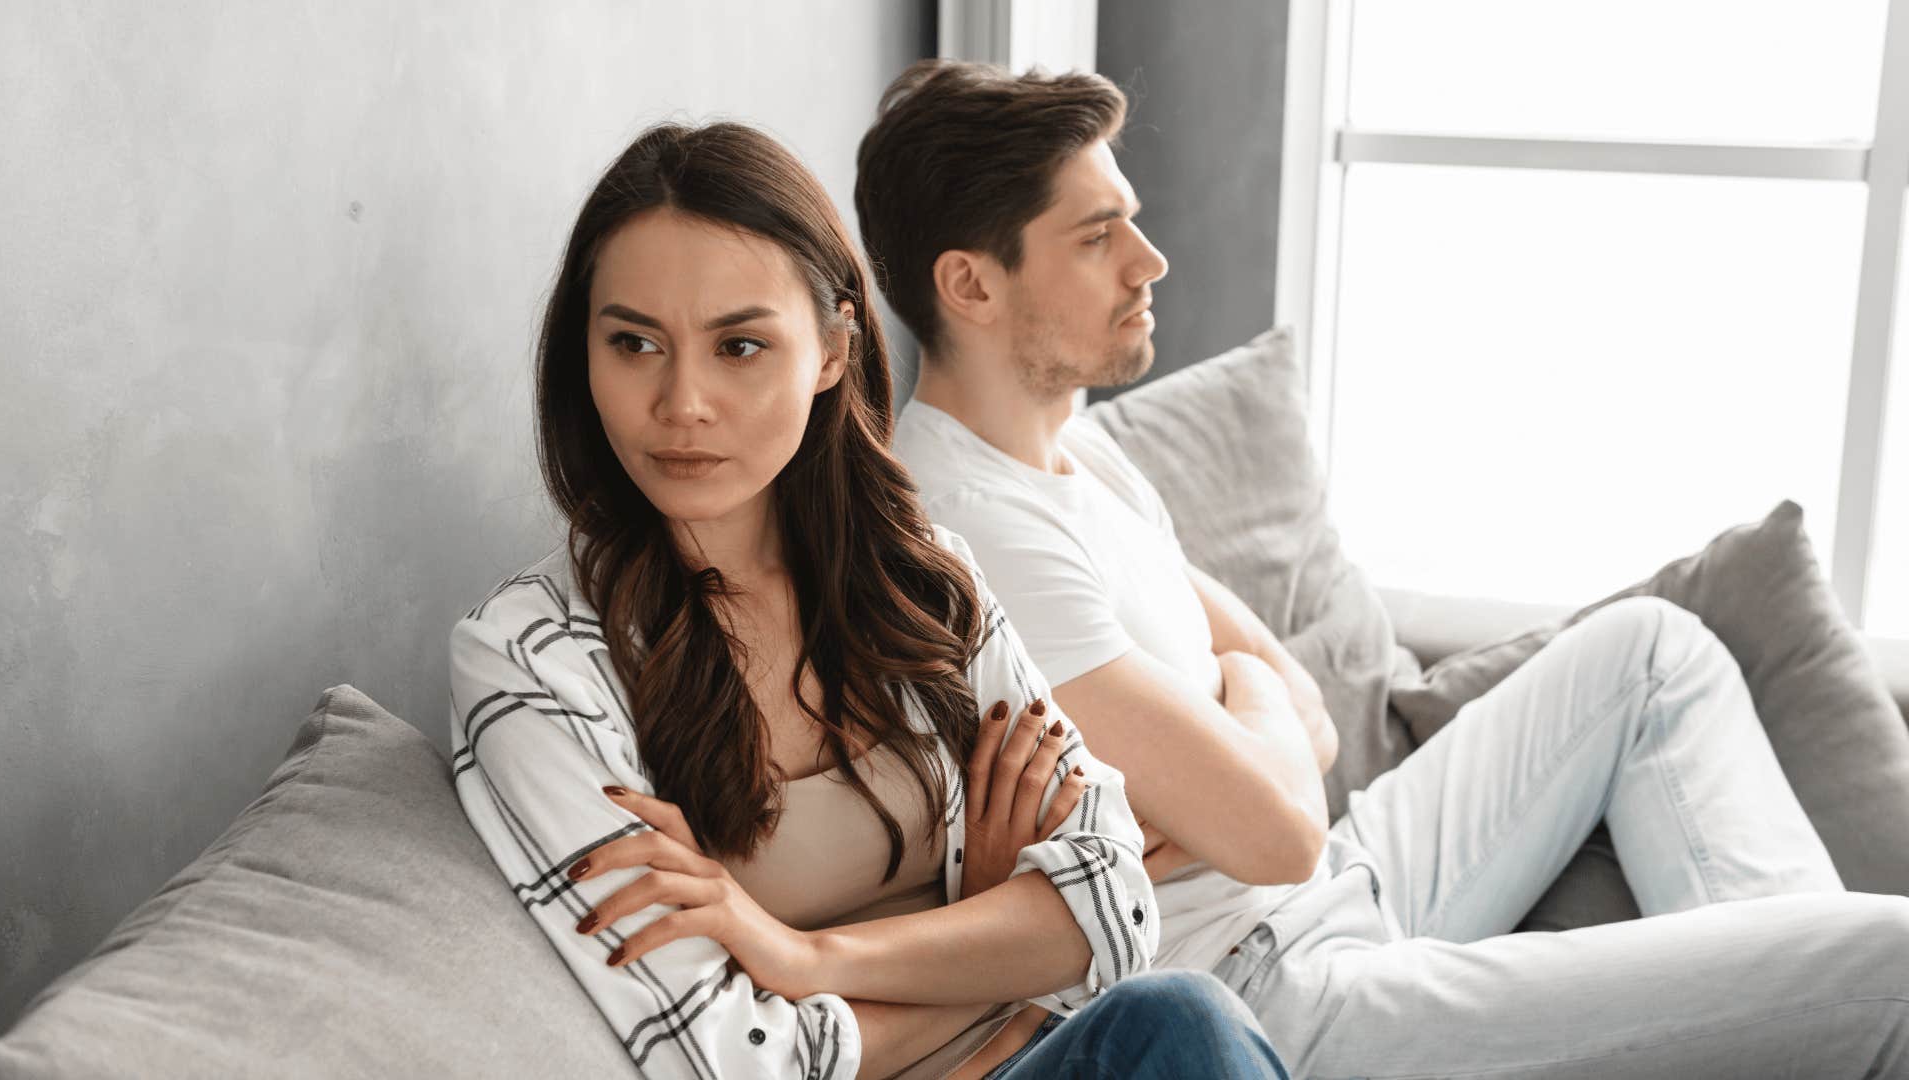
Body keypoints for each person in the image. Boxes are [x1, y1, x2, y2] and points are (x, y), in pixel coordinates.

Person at [858, 58, 1909, 1078]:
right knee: (1892, 963)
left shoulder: (1082, 452)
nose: (1149, 258)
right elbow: (1274, 827)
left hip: (1339, 880)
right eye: (1098, 237)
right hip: (1263, 989)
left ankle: (1784, 1022)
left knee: (1653, 654)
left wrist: (1245, 721)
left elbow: (1287, 695)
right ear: (972, 286)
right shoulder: (974, 533)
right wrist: (1253, 750)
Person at [447, 120, 1290, 1079]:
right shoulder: (534, 659)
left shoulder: (923, 575)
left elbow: (1117, 901)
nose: (682, 402)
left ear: (833, 352)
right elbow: (735, 1056)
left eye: (739, 347)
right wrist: (989, 937)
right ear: (582, 356)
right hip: (1000, 1037)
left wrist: (797, 953)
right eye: (634, 342)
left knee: (1180, 1016)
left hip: (1052, 1059)